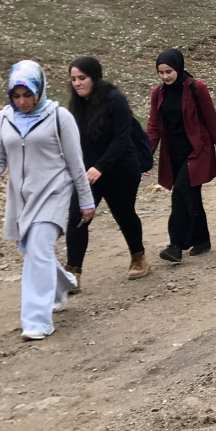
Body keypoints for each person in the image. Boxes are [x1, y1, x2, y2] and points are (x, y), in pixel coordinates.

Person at [0, 61, 94, 342]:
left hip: (54, 192)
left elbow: (75, 163)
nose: (22, 102)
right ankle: (64, 283)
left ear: (39, 90)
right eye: (16, 96)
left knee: (38, 248)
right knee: (35, 251)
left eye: (27, 95)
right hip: (21, 197)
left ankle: (36, 321)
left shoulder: (60, 117)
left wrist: (86, 200)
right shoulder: (1, 119)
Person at [67, 56, 149, 284]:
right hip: (90, 173)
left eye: (82, 78)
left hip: (120, 169)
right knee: (78, 215)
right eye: (73, 79)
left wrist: (100, 167)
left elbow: (122, 139)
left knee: (124, 214)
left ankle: (138, 256)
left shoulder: (115, 100)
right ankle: (73, 272)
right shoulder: (76, 105)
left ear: (94, 77)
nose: (77, 83)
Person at [147, 49, 216, 262]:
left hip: (197, 151)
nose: (165, 76)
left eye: (169, 71)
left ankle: (176, 245)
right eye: (161, 72)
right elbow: (153, 127)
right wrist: (145, 156)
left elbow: (212, 120)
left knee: (181, 193)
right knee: (190, 195)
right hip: (172, 153)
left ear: (179, 67)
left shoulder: (197, 88)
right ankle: (202, 239)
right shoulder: (158, 93)